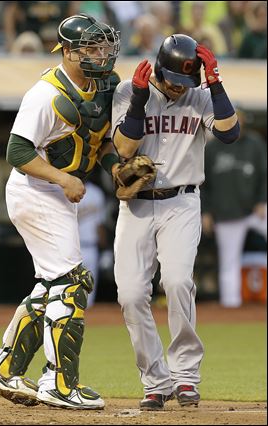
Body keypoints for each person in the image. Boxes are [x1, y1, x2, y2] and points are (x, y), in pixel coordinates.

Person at [0, 13, 121, 410]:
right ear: (69, 51)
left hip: (54, 192)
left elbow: (101, 145)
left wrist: (116, 171)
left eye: (104, 45)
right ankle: (59, 384)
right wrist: (63, 179)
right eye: (92, 46)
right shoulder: (45, 93)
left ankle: (4, 368)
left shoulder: (102, 86)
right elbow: (17, 152)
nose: (101, 53)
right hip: (35, 190)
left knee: (51, 286)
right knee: (73, 282)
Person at [111, 34, 240, 410]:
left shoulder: (201, 97)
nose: (179, 89)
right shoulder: (127, 92)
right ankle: (155, 380)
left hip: (182, 203)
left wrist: (215, 83)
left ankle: (185, 377)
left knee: (178, 281)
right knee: (131, 294)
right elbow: (124, 149)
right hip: (137, 205)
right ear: (160, 69)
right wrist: (138, 101)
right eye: (172, 80)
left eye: (187, 81)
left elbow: (230, 133)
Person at [201, 108, 267, 307]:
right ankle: (231, 309)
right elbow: (203, 183)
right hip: (226, 213)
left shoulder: (254, 143)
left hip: (256, 209)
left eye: (238, 116)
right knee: (229, 262)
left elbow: (265, 174)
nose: (234, 120)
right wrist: (206, 212)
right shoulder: (212, 148)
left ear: (244, 119)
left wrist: (262, 200)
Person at [77, 179, 108, 308]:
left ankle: (87, 324)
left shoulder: (96, 193)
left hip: (91, 246)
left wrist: (105, 249)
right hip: (72, 247)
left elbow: (100, 223)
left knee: (89, 293)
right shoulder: (64, 187)